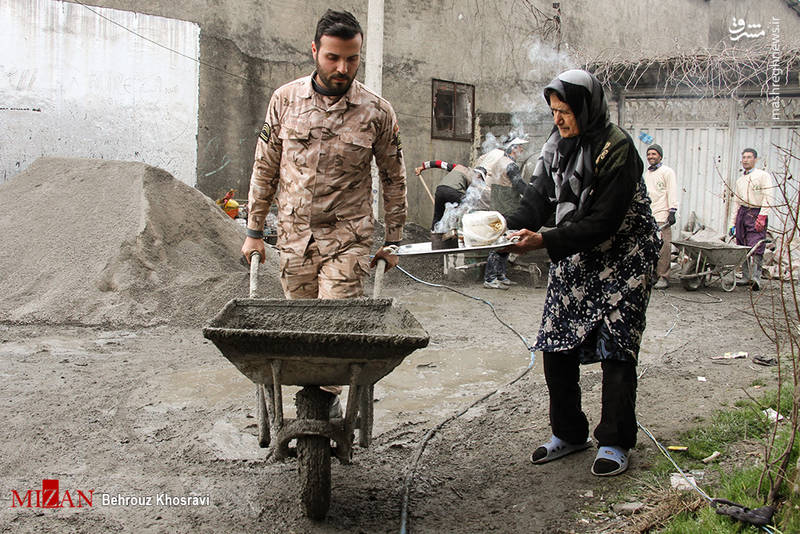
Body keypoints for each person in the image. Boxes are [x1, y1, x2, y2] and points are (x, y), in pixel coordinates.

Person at [241, 10, 406, 411]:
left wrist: (394, 240)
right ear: (315, 50)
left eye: (351, 59)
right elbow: (265, 167)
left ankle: (322, 405)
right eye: (333, 57)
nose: (342, 68)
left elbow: (393, 176)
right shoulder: (284, 100)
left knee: (334, 329)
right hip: (293, 238)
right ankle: (311, 403)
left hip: (347, 240)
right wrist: (254, 231)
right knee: (300, 332)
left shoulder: (377, 112)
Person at [503, 69, 660, 476]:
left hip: (624, 258)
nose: (558, 120)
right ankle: (570, 433)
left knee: (617, 350)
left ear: (588, 108)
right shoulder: (555, 147)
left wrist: (543, 241)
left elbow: (603, 221)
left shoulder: (618, 149)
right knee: (555, 346)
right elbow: (536, 200)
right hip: (575, 254)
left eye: (566, 111)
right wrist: (503, 228)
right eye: (554, 111)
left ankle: (615, 440)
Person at [478, 137, 528, 289]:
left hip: (498, 205)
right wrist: (533, 195)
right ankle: (490, 278)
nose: (522, 151)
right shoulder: (511, 165)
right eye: (520, 147)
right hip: (507, 207)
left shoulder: (499, 161)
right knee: (500, 242)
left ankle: (500, 275)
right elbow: (520, 186)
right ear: (513, 148)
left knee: (505, 241)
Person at [729, 148, 773, 291]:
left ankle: (756, 277)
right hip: (743, 212)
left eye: (749, 157)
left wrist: (762, 215)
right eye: (744, 157)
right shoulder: (740, 180)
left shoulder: (762, 176)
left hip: (756, 211)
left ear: (755, 159)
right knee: (743, 244)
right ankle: (746, 276)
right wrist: (733, 223)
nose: (745, 160)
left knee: (757, 245)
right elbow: (736, 202)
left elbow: (768, 196)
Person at [644, 144, 679, 289]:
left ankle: (664, 276)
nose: (651, 156)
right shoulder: (647, 174)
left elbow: (672, 191)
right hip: (649, 216)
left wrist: (672, 211)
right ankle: (653, 275)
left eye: (654, 154)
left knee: (664, 248)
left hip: (662, 216)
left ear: (660, 156)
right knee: (650, 248)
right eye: (649, 154)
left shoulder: (667, 172)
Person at [414, 161, 487, 230]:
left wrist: (422, 167)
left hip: (440, 190)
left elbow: (439, 163)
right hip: (455, 192)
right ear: (479, 175)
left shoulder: (458, 167)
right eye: (481, 179)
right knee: (464, 212)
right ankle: (459, 234)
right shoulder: (474, 180)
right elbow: (469, 199)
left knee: (437, 217)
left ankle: (434, 237)